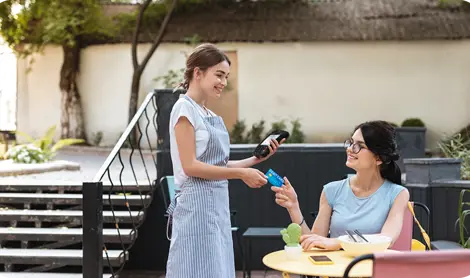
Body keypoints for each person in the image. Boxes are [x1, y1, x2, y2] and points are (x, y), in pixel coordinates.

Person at [165, 43, 284, 278]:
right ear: (197, 73)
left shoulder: (208, 114)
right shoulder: (184, 110)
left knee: (216, 269)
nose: (224, 82)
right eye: (219, 75)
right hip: (195, 207)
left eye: (226, 76)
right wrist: (241, 175)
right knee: (194, 270)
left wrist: (254, 160)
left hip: (216, 206)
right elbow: (190, 166)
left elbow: (217, 165)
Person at [272, 120, 409, 251]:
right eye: (351, 143)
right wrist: (294, 207)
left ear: (379, 158)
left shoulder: (397, 194)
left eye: (359, 146)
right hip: (337, 270)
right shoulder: (331, 190)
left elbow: (387, 239)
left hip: (373, 271)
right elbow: (315, 241)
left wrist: (337, 242)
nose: (350, 149)